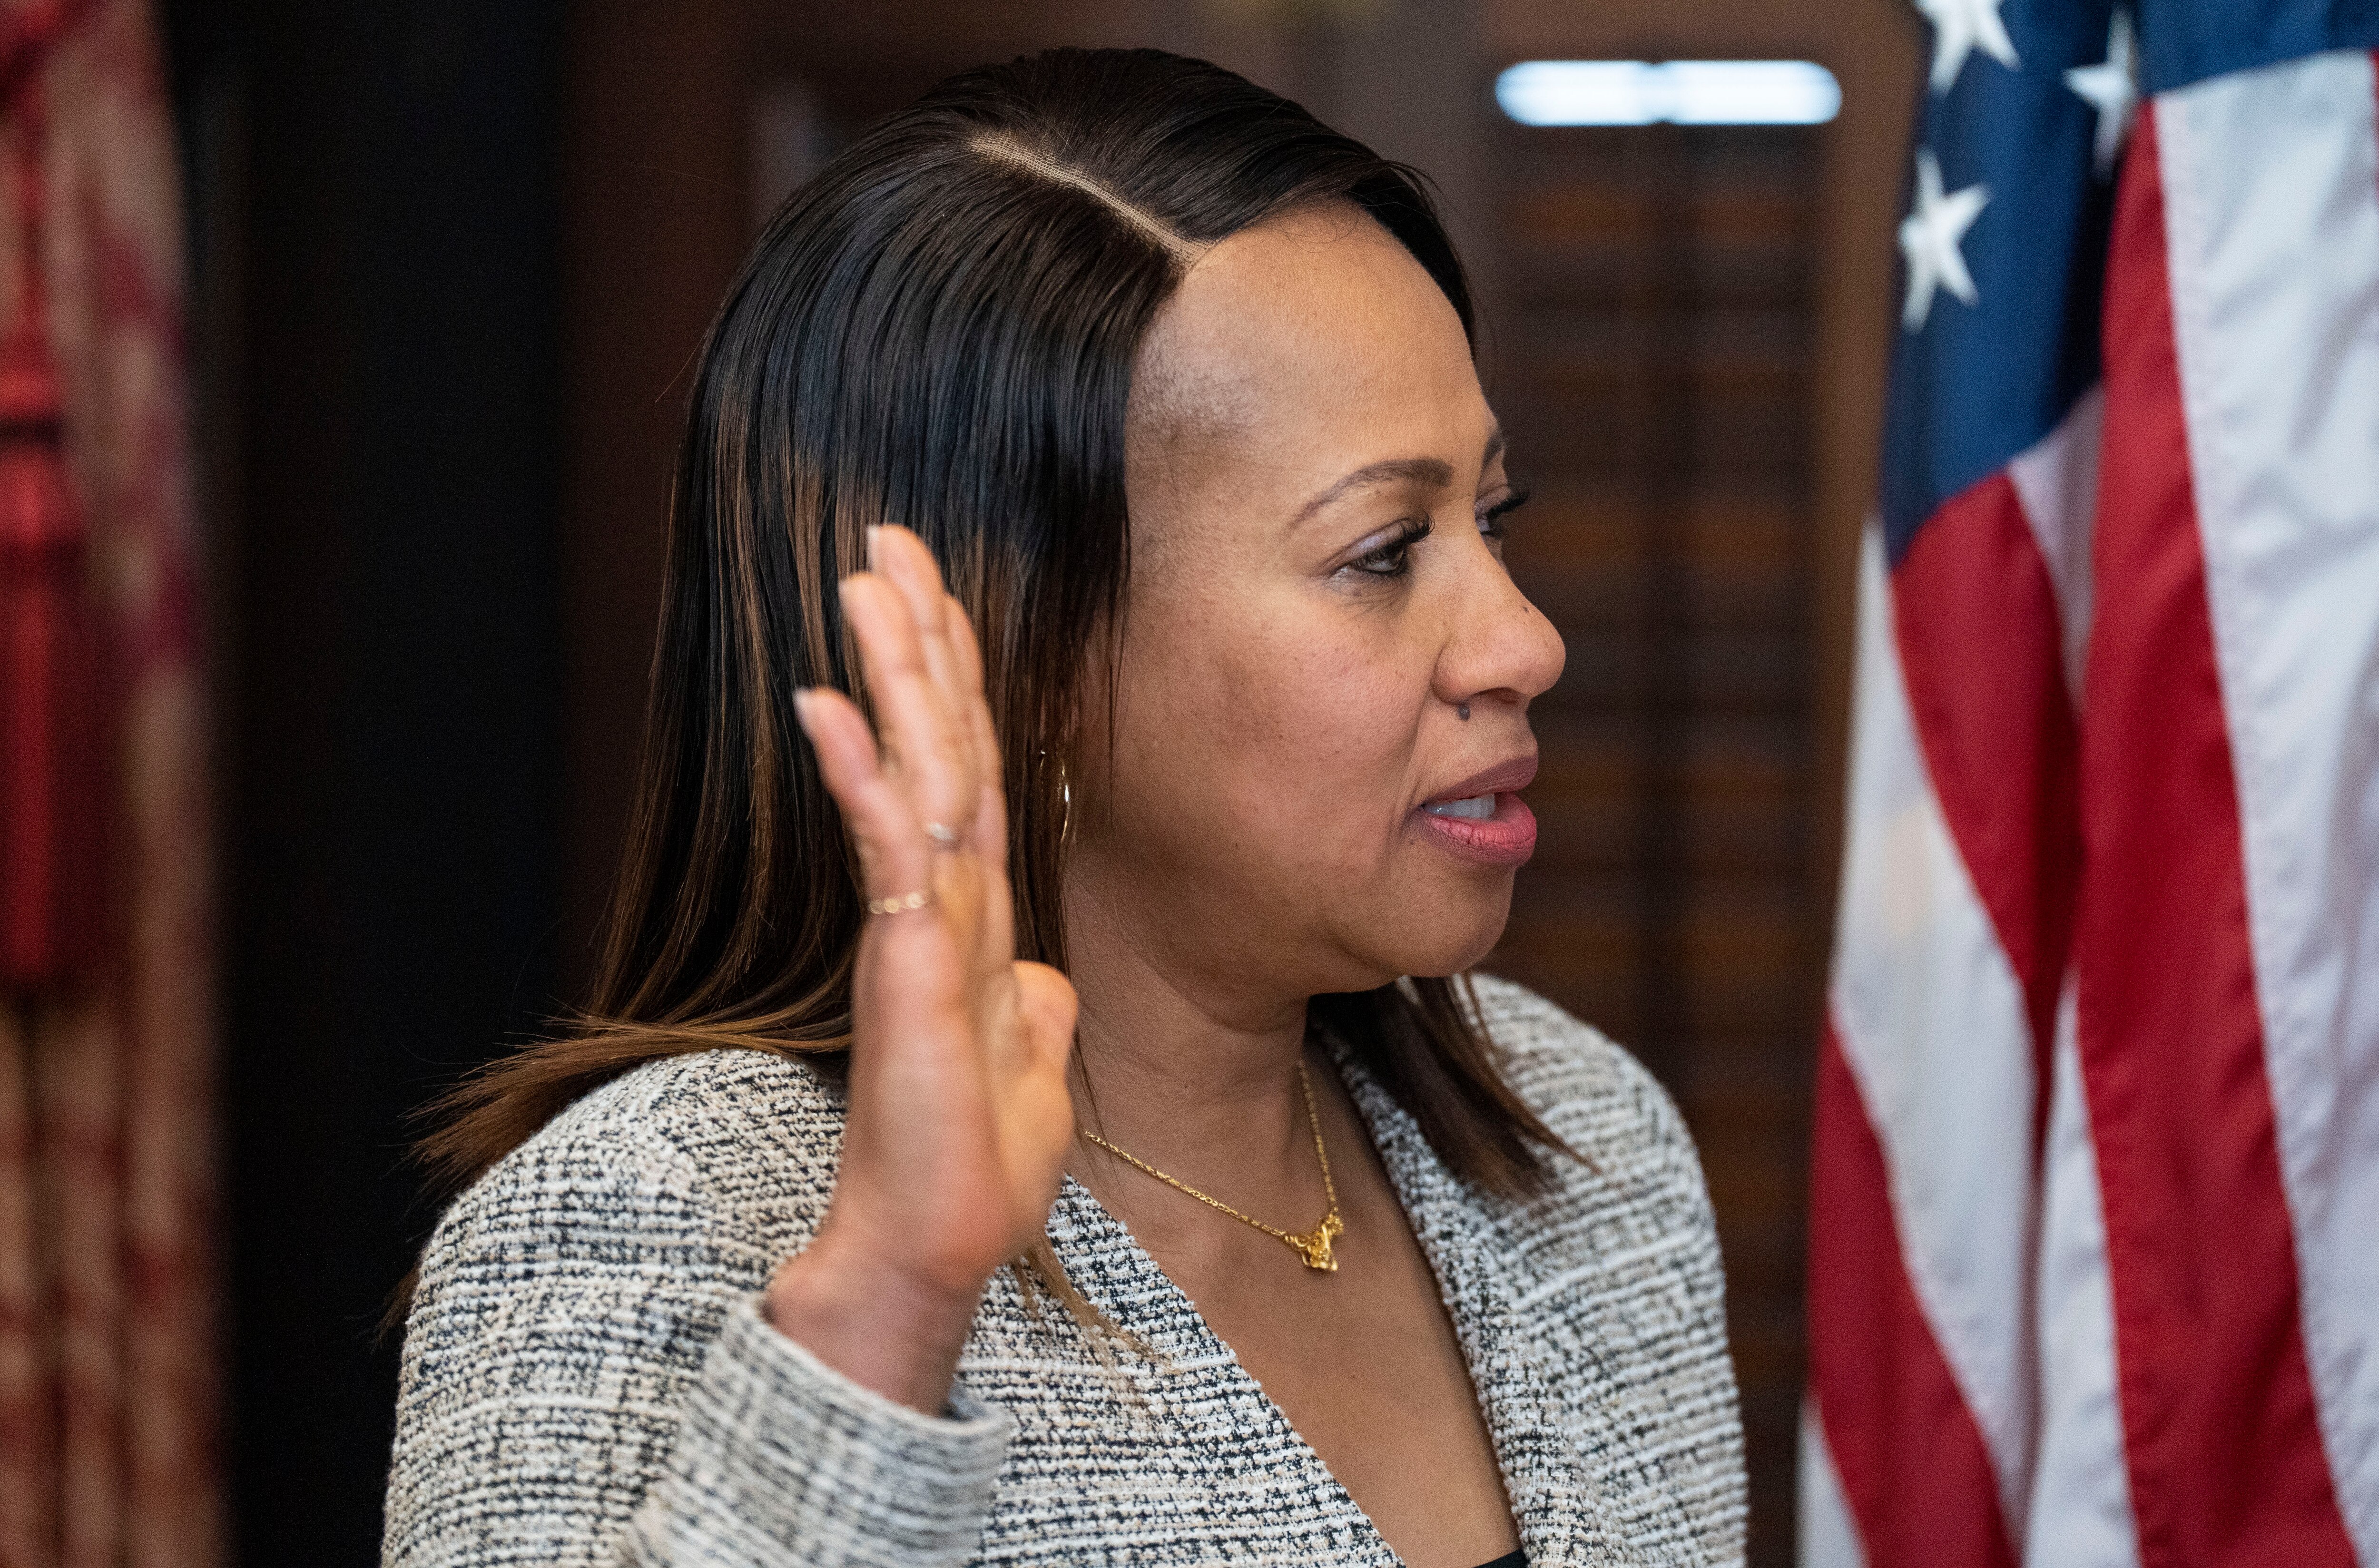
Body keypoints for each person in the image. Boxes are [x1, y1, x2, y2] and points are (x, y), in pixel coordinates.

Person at [383, 46, 1745, 1568]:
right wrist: (890, 1306)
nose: (1523, 643)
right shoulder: (648, 1219)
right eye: (1382, 553)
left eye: (1492, 519)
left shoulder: (1589, 1148)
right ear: (1028, 659)